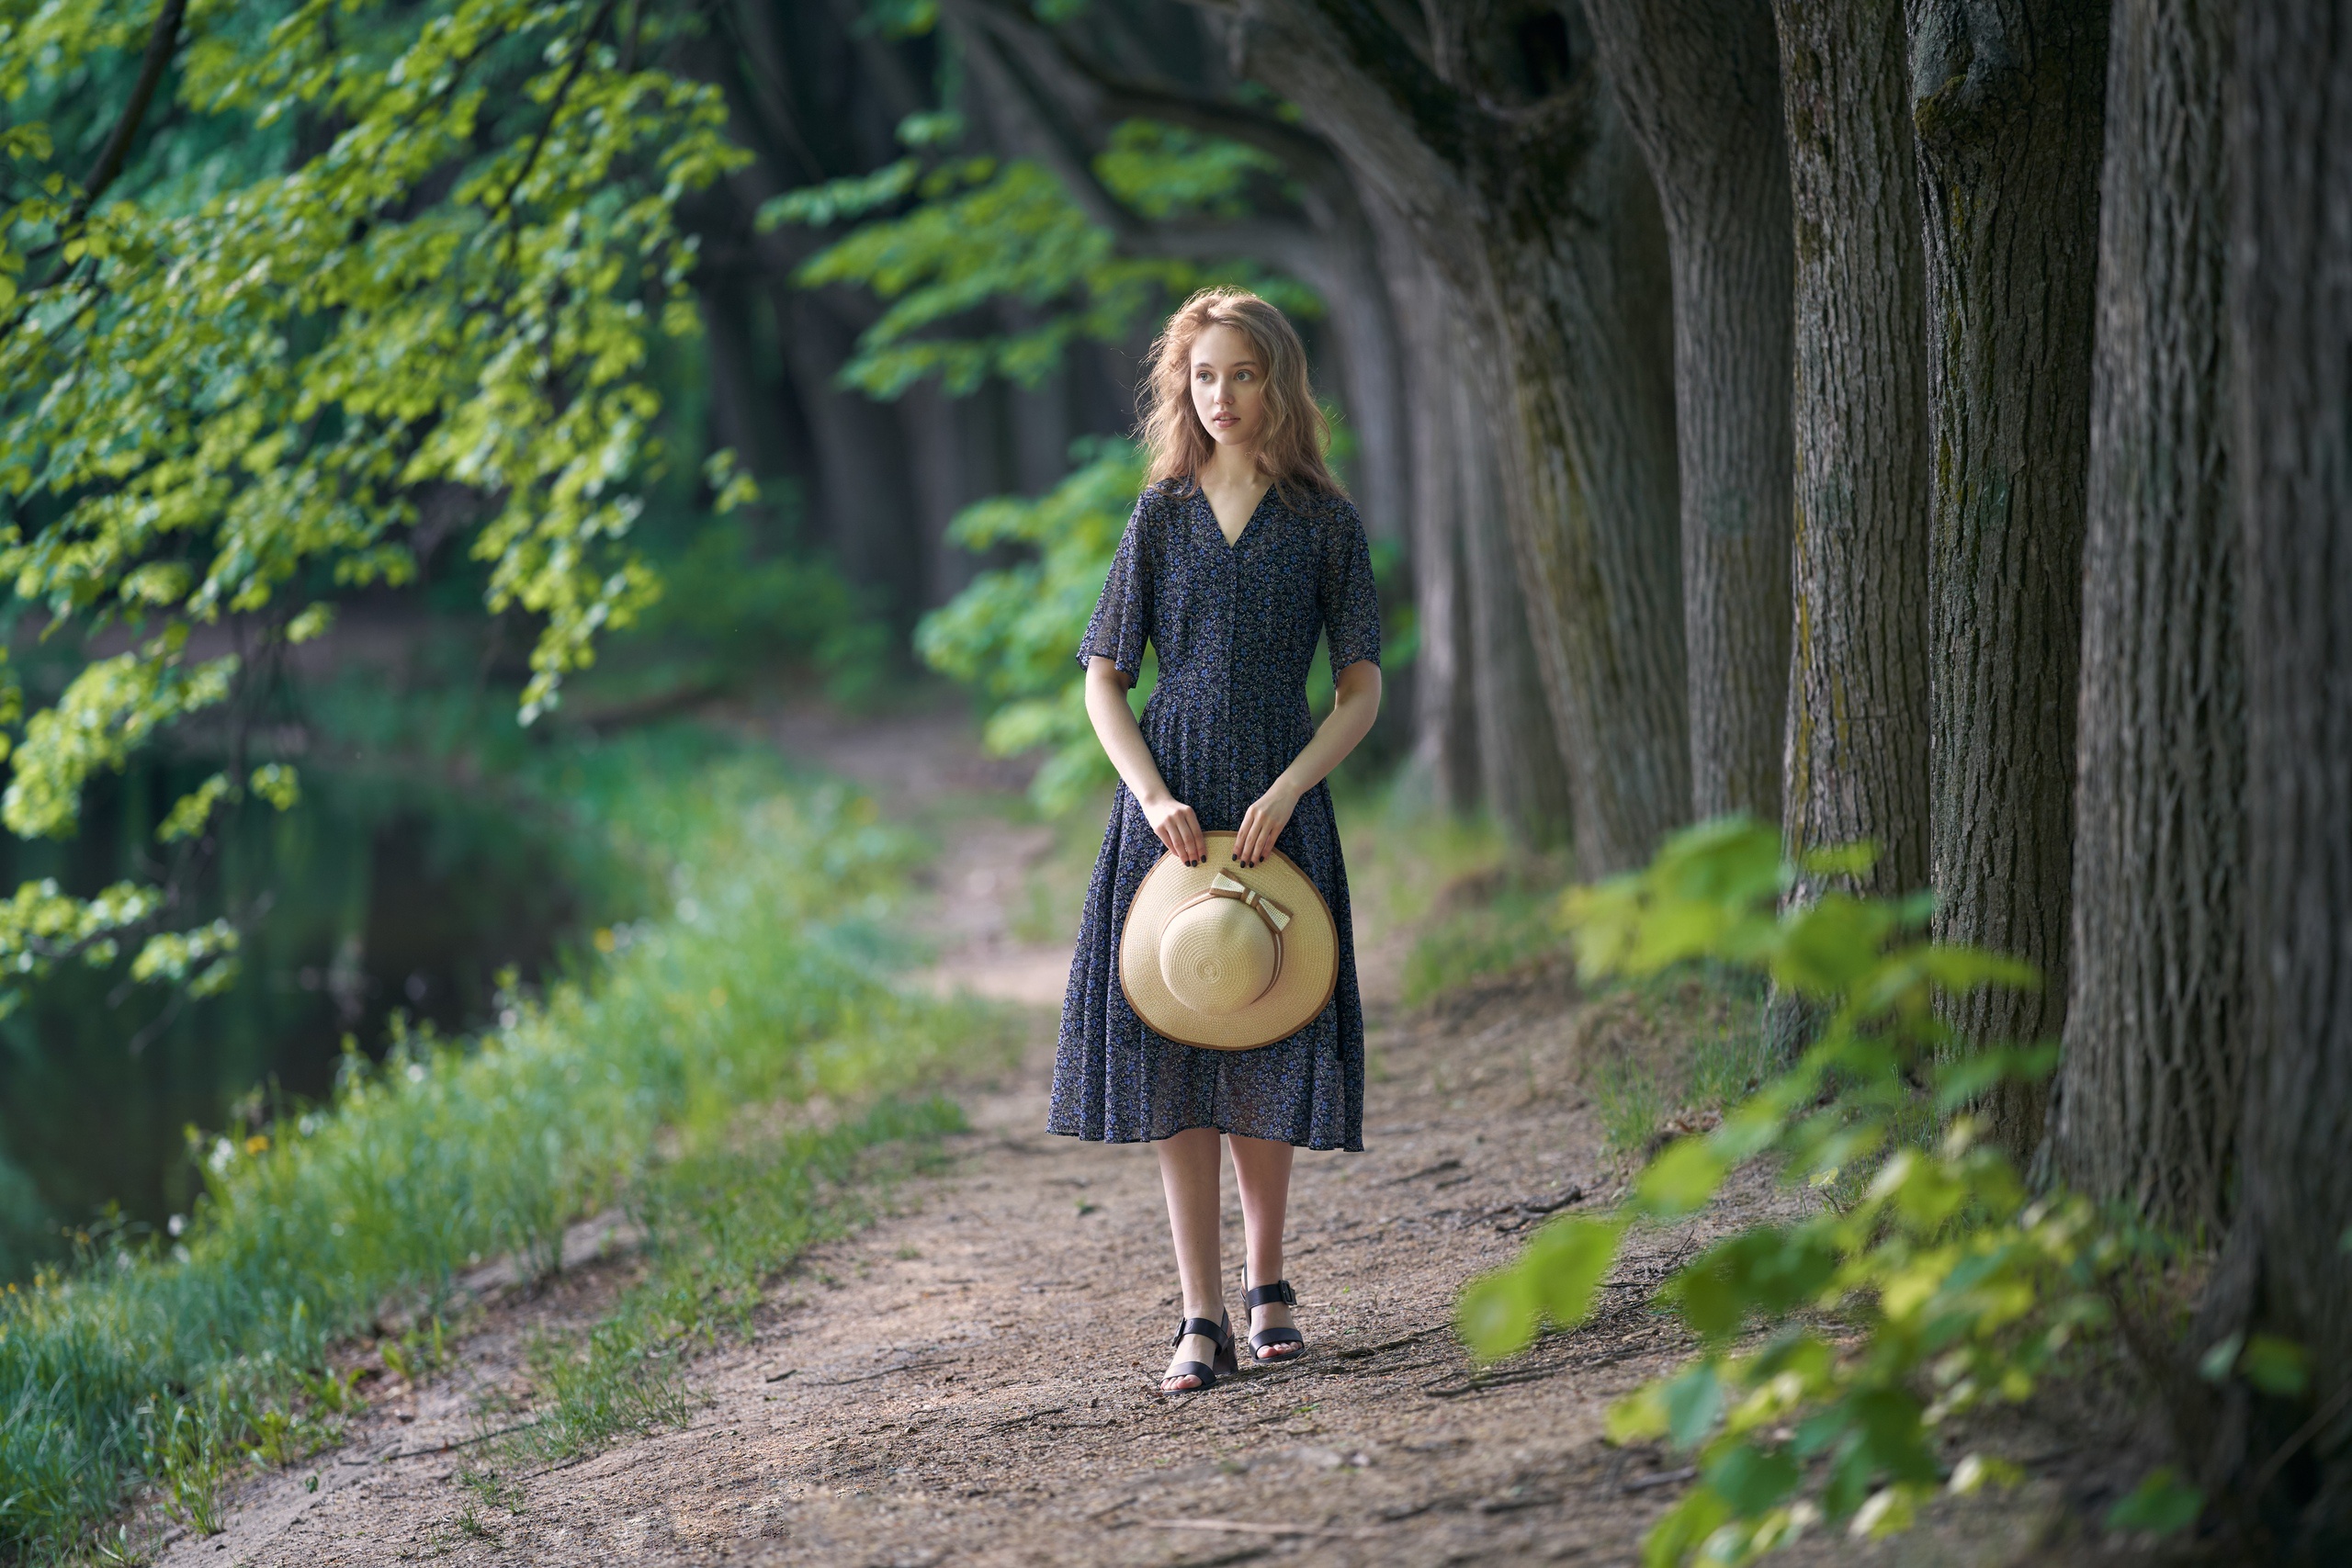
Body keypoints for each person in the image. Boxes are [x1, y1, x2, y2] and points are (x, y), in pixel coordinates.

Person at [1047, 286, 1384, 1394]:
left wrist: (1292, 787)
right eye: (1204, 376)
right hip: (1174, 808)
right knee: (1170, 1046)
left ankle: (1269, 1283)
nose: (1222, 395)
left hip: (1277, 807)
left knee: (1266, 1026)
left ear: (1276, 383)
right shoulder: (1159, 514)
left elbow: (1359, 688)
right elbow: (1103, 677)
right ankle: (1198, 1313)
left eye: (1242, 374)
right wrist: (1148, 798)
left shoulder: (1323, 521)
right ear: (1181, 390)